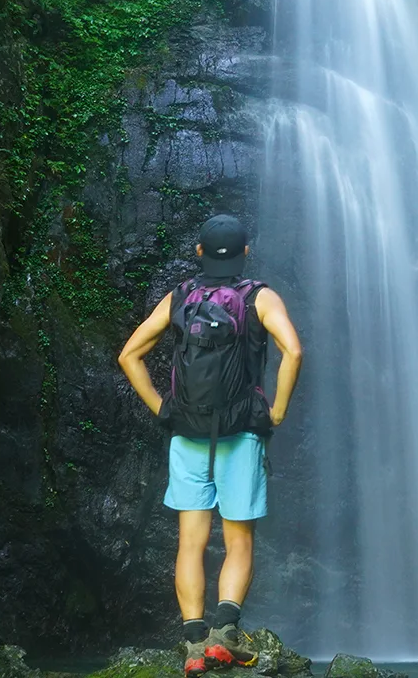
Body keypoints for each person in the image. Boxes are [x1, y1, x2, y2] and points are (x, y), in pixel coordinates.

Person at [118, 214, 303, 674]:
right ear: (246, 253)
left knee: (190, 542)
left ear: (199, 251)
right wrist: (276, 411)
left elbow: (129, 355)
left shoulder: (179, 297)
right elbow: (293, 351)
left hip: (188, 433)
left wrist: (162, 407)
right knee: (238, 540)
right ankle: (226, 633)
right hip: (240, 435)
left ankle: (194, 643)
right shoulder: (259, 297)